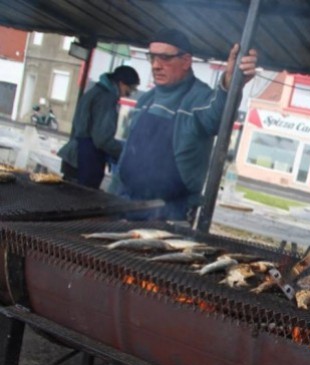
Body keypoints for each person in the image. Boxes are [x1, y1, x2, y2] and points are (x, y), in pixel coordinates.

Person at [113, 29, 257, 222]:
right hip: (126, 205)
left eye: (165, 57)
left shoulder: (198, 99)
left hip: (171, 214)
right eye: (152, 57)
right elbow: (125, 158)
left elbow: (216, 117)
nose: (156, 65)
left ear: (186, 61)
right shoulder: (145, 100)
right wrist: (110, 200)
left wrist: (230, 85)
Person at [57, 66, 140, 188]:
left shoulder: (95, 91)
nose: (129, 94)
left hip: (73, 159)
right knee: (80, 203)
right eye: (130, 89)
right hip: (85, 162)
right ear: (121, 83)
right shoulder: (106, 98)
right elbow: (102, 139)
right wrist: (124, 153)